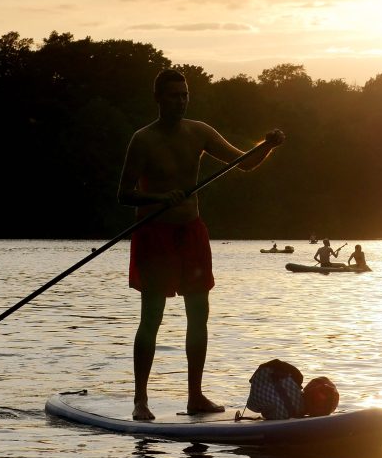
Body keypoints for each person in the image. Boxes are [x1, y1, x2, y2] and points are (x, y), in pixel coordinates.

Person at [119, 68, 285, 421]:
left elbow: (245, 163)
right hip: (155, 234)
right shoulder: (143, 139)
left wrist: (267, 145)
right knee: (152, 318)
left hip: (191, 232)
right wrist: (159, 197)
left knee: (199, 317)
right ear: (158, 99)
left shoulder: (199, 132)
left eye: (184, 95)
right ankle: (140, 400)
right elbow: (124, 194)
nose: (180, 101)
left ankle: (195, 395)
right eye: (173, 95)